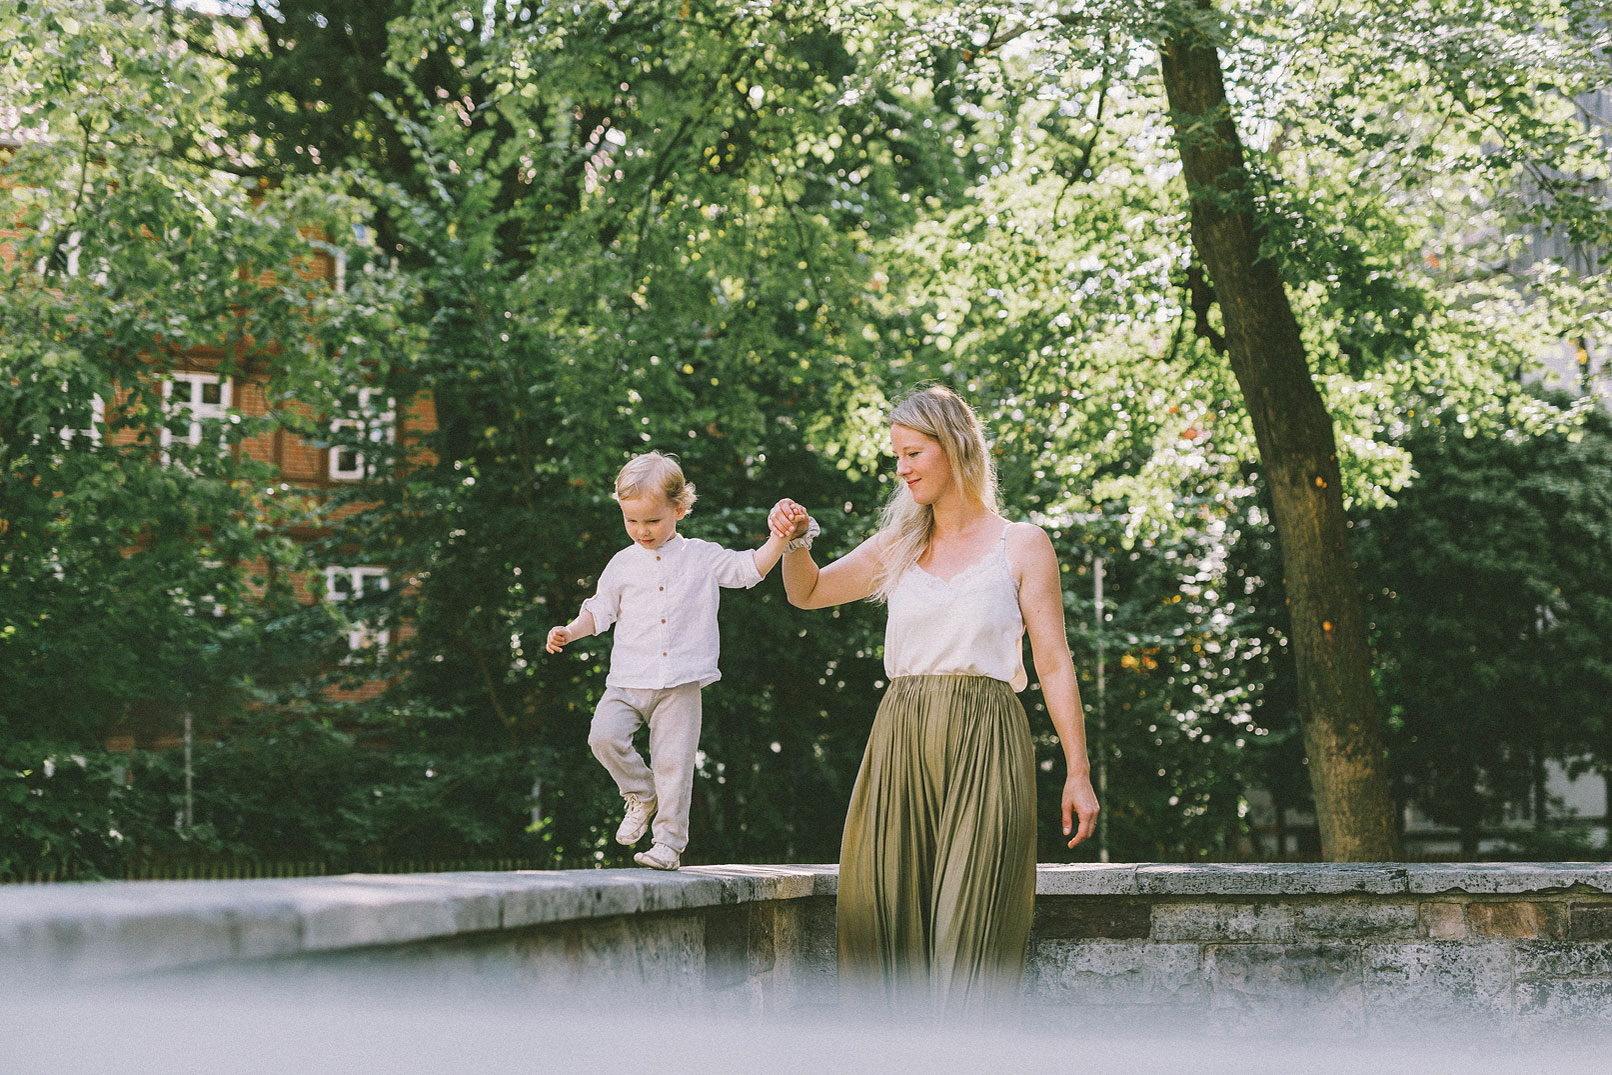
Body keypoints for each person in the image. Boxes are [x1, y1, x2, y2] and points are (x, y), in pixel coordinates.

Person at [767, 385, 1098, 1014]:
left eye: (914, 452)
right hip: (900, 736)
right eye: (897, 456)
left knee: (970, 938)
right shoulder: (898, 544)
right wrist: (795, 540)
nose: (903, 468)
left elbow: (1054, 664)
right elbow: (807, 593)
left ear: (955, 447)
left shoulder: (1023, 544)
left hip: (987, 738)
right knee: (882, 921)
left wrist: (1077, 772)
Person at [547, 451, 790, 870]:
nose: (641, 531)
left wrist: (781, 541)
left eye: (652, 521)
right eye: (632, 521)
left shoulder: (700, 555)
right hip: (627, 680)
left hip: (680, 682)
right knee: (603, 737)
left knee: (674, 766)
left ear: (679, 509)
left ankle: (668, 845)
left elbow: (747, 569)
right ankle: (641, 793)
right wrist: (570, 630)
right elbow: (599, 611)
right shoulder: (621, 563)